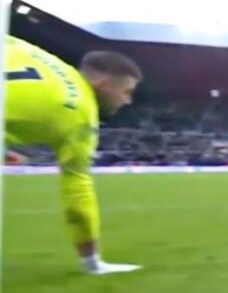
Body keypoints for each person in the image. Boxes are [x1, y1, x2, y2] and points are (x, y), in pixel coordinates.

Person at [4, 36, 144, 274]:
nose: (128, 101)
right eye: (126, 91)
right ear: (103, 85)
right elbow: (78, 196)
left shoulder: (38, 53)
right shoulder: (81, 115)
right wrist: (92, 262)